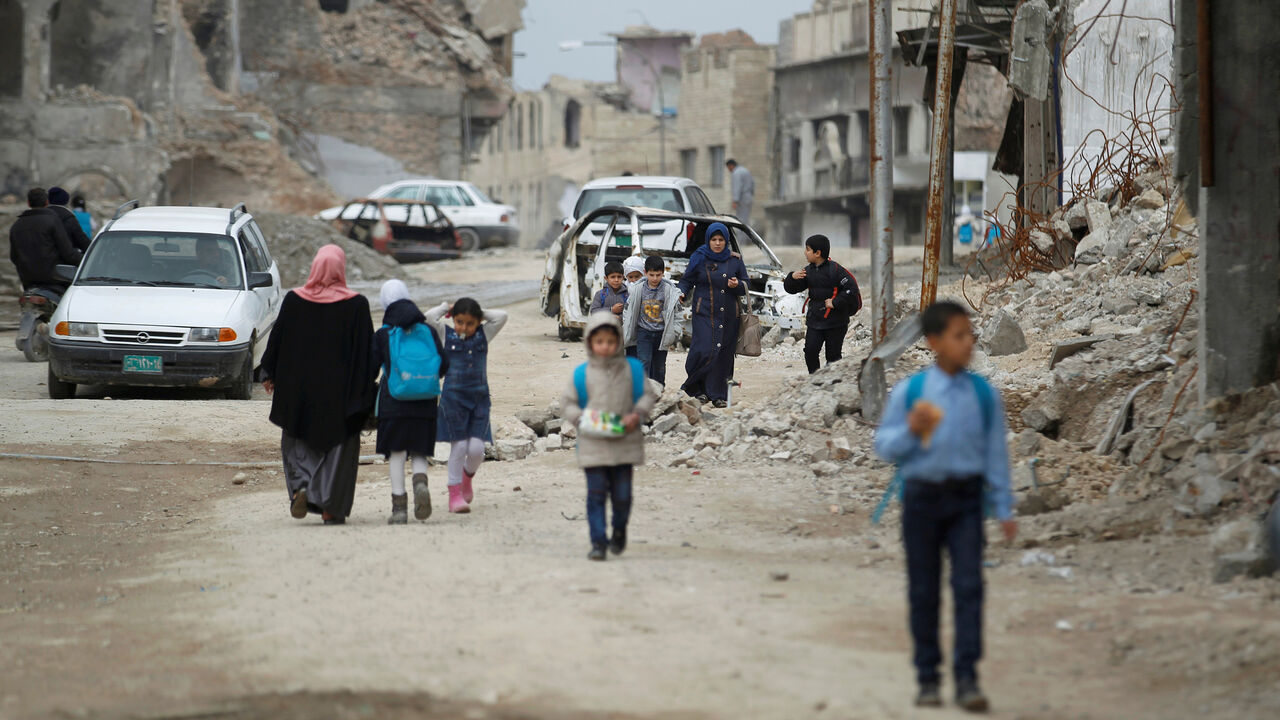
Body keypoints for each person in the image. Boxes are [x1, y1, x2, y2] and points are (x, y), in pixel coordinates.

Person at [873, 301, 1017, 712]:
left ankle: (968, 676)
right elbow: (883, 446)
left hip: (967, 501)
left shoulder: (984, 395)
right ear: (935, 342)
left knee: (969, 587)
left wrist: (1004, 506)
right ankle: (928, 677)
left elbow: (995, 454)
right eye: (959, 335)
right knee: (924, 590)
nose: (968, 342)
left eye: (970, 334)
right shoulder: (911, 393)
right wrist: (911, 432)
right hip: (921, 499)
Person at [261, 245, 377, 525]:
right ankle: (331, 508)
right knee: (339, 447)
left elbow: (276, 339)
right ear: (341, 268)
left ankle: (301, 485)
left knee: (298, 440)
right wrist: (365, 387)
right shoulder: (357, 304)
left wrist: (269, 373)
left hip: (299, 392)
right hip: (341, 395)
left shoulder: (294, 300)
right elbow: (367, 353)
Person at [560, 312, 655, 561]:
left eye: (610, 342)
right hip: (594, 444)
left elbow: (647, 395)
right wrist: (579, 418)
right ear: (590, 342)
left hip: (625, 443)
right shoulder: (582, 374)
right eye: (599, 341)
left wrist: (637, 414)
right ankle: (598, 543)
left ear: (619, 342)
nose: (605, 347)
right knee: (596, 495)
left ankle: (620, 529)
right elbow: (568, 402)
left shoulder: (632, 369)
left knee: (623, 496)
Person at [373, 280, 449, 525]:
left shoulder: (384, 334)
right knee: (419, 450)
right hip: (425, 401)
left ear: (385, 302)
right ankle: (420, 482)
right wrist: (423, 379)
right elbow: (444, 364)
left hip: (393, 400)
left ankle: (399, 510)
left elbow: (370, 368)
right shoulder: (426, 330)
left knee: (396, 453)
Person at [425, 297, 508, 514]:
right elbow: (428, 318)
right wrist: (446, 308)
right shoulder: (445, 335)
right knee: (460, 447)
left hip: (479, 400)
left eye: (470, 323)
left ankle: (466, 478)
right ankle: (454, 494)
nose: (464, 327)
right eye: (460, 322)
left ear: (478, 322)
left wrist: (481, 313)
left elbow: (502, 317)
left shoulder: (483, 335)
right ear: (453, 320)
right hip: (453, 400)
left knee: (477, 450)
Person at [678, 222, 748, 408]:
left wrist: (737, 285)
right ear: (708, 240)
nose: (717, 243)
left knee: (723, 353)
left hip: (728, 315)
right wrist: (680, 293)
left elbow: (745, 284)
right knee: (703, 349)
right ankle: (696, 389)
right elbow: (686, 280)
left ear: (726, 241)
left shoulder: (735, 260)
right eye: (714, 239)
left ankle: (718, 394)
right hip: (704, 312)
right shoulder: (699, 257)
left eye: (721, 240)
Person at [782, 234, 862, 374]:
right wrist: (791, 277)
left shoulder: (836, 270)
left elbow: (851, 289)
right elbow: (791, 289)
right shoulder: (807, 271)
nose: (805, 253)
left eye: (808, 249)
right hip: (815, 321)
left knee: (833, 357)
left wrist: (835, 302)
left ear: (817, 253)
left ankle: (832, 383)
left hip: (836, 322)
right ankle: (815, 379)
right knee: (810, 352)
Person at [9, 187, 82, 294]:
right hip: (54, 280)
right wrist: (85, 262)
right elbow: (68, 253)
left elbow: (14, 257)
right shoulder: (52, 221)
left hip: (28, 281)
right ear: (47, 202)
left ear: (29, 203)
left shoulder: (16, 226)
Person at [622, 254, 680, 386]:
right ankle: (642, 392)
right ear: (645, 273)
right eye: (652, 275)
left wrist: (675, 331)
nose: (655, 278)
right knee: (644, 362)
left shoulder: (669, 290)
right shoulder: (637, 289)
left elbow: (677, 313)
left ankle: (659, 391)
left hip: (661, 333)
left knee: (659, 366)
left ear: (663, 273)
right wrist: (627, 326)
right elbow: (628, 310)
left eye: (658, 275)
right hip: (644, 332)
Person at [46, 187, 92, 252]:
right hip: (64, 260)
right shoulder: (69, 218)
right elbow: (83, 242)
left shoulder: (40, 217)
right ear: (66, 201)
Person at [726, 159, 755, 225]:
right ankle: (747, 235)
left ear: (731, 165)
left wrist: (735, 200)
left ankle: (741, 235)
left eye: (728, 168)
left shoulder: (736, 173)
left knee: (741, 220)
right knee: (746, 218)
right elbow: (753, 183)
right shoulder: (745, 170)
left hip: (742, 198)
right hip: (748, 196)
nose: (729, 170)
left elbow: (737, 187)